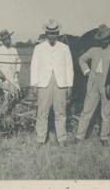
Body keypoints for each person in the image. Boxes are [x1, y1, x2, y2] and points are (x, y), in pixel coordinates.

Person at [30, 19, 74, 147]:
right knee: (42, 112)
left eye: (54, 33)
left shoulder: (64, 48)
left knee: (60, 111)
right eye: (50, 33)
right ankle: (40, 139)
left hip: (60, 83)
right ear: (46, 33)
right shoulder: (39, 48)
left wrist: (69, 85)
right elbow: (34, 67)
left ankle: (62, 139)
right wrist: (34, 84)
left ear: (58, 33)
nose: (52, 36)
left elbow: (69, 67)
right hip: (44, 83)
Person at [75, 24, 110, 145]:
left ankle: (104, 137)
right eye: (102, 39)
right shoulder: (93, 50)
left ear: (109, 39)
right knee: (87, 110)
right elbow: (81, 59)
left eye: (106, 39)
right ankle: (79, 136)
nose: (104, 41)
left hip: (106, 84)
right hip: (93, 83)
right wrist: (87, 72)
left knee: (106, 112)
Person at [0, 29, 21, 111]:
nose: (7, 40)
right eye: (5, 39)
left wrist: (17, 72)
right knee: (5, 100)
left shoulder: (14, 50)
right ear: (2, 40)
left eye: (8, 38)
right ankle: (2, 116)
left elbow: (18, 61)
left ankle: (13, 117)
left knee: (16, 98)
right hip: (3, 80)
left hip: (13, 78)